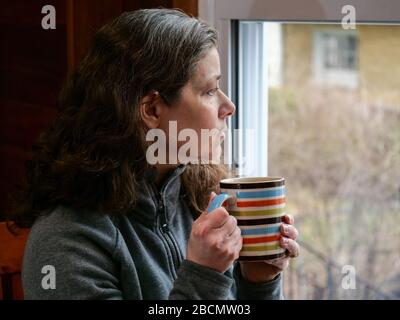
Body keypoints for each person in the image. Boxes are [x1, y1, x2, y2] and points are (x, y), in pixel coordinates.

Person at [13, 8, 299, 300]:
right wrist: (204, 275)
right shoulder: (66, 241)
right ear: (152, 110)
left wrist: (258, 281)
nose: (229, 107)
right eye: (209, 91)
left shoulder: (199, 201)